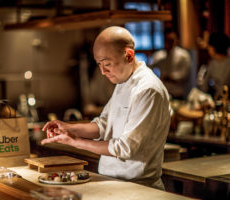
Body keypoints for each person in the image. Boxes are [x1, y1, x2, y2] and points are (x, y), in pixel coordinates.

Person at [42, 26, 171, 190]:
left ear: (129, 55)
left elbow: (126, 148)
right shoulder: (123, 81)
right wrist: (70, 128)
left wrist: (76, 142)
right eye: (99, 64)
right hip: (112, 183)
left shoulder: (148, 90)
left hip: (138, 188)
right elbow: (103, 125)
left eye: (108, 64)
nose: (103, 71)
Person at [151, 28, 192, 99]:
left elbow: (185, 74)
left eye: (172, 40)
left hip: (178, 93)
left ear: (176, 40)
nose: (169, 43)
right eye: (167, 40)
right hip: (163, 92)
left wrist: (170, 77)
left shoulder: (183, 55)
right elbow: (150, 69)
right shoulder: (158, 55)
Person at [198, 32, 230, 99]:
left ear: (214, 48)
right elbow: (205, 84)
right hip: (215, 99)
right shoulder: (213, 62)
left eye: (209, 46)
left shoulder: (227, 63)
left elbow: (224, 85)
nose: (208, 48)